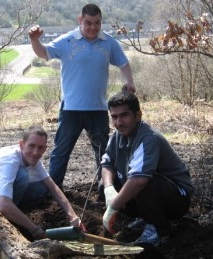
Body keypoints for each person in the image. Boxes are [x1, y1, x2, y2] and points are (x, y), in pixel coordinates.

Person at [28, 3, 135, 188]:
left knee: (103, 153)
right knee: (61, 152)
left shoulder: (109, 42)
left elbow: (123, 63)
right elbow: (44, 53)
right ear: (80, 20)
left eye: (97, 23)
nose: (93, 27)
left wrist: (130, 82)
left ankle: (105, 190)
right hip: (71, 109)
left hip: (98, 109)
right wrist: (34, 40)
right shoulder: (67, 40)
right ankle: (53, 192)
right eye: (88, 23)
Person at [101, 91, 194, 246]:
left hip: (176, 199)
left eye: (124, 115)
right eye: (114, 117)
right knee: (104, 183)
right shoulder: (117, 135)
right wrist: (109, 190)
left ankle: (158, 228)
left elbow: (139, 181)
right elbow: (106, 165)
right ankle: (145, 218)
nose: (118, 122)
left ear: (138, 115)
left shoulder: (149, 138)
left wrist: (114, 205)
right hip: (151, 192)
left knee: (145, 184)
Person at [0, 125, 84, 241]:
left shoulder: (32, 159)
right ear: (21, 144)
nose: (35, 152)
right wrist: (34, 229)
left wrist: (73, 217)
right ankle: (8, 219)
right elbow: (3, 205)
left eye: (40, 148)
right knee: (22, 176)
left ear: (45, 149)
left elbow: (52, 187)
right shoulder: (7, 162)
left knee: (41, 187)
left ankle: (15, 213)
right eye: (31, 146)